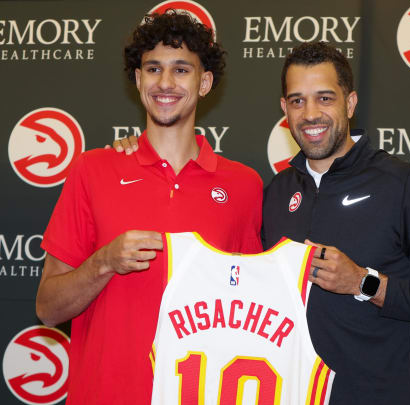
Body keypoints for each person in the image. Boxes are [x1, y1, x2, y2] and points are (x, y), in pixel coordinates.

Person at [35, 12, 262, 405]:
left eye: (181, 70)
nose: (165, 83)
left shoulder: (243, 185)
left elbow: (253, 313)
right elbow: (48, 309)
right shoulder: (93, 169)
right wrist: (103, 262)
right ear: (139, 80)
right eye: (153, 69)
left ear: (204, 82)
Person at [261, 41, 410, 404]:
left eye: (324, 98)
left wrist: (364, 282)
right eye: (297, 100)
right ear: (284, 109)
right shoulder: (277, 193)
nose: (310, 114)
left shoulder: (403, 184)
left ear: (349, 103)